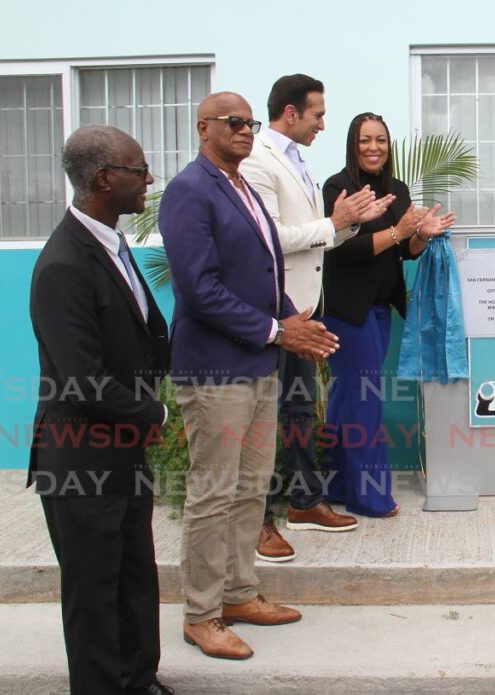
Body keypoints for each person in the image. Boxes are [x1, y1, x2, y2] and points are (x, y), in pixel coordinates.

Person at [159, 91, 339, 660]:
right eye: (233, 123)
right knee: (213, 495)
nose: (244, 131)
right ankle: (201, 614)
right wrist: (280, 331)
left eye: (249, 123)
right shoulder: (190, 191)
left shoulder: (242, 186)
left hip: (258, 362)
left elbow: (264, 272)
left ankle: (238, 594)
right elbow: (199, 288)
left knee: (250, 488)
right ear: (203, 127)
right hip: (215, 370)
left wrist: (292, 320)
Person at [29, 125, 173, 694]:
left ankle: (139, 681)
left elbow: (141, 340)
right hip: (81, 462)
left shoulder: (113, 245)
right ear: (103, 178)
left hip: (122, 452)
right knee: (94, 597)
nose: (149, 179)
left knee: (135, 579)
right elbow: (83, 382)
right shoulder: (63, 264)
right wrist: (156, 417)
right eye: (140, 170)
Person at [241, 74, 393, 562]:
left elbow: (317, 240)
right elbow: (269, 237)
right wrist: (338, 221)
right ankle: (262, 520)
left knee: (300, 410)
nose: (323, 125)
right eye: (317, 115)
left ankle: (305, 502)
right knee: (267, 419)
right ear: (291, 114)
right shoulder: (259, 162)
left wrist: (347, 225)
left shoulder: (296, 161)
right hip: (274, 313)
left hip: (306, 310)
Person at [320, 113, 455, 517]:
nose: (373, 147)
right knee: (364, 400)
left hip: (380, 308)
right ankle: (370, 496)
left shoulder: (396, 188)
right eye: (365, 140)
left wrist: (420, 235)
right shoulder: (337, 186)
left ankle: (339, 486)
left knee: (347, 398)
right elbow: (343, 247)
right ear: (352, 143)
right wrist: (399, 232)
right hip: (345, 309)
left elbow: (402, 251)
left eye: (380, 139)